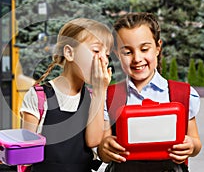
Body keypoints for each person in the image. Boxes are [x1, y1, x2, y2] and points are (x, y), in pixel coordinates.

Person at [97, 12, 202, 172]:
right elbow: (103, 150)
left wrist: (191, 145)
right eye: (127, 52)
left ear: (158, 48)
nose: (137, 58)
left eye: (144, 49)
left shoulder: (182, 94)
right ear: (117, 54)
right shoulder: (109, 96)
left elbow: (195, 142)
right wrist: (105, 148)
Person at [20, 18, 114, 172]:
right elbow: (27, 153)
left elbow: (93, 141)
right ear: (69, 53)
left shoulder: (96, 98)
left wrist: (99, 91)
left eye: (107, 54)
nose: (103, 60)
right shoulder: (38, 97)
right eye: (96, 51)